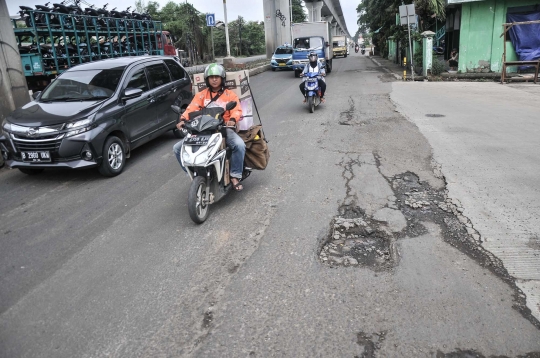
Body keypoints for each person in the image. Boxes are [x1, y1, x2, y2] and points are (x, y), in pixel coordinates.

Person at [173, 63, 246, 191]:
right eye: (211, 77)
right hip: (203, 130)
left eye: (217, 77)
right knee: (177, 148)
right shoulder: (201, 95)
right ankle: (191, 174)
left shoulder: (230, 95)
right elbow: (192, 108)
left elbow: (236, 109)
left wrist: (233, 120)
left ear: (222, 78)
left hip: (223, 129)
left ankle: (235, 175)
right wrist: (183, 119)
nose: (214, 79)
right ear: (207, 79)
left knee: (239, 145)